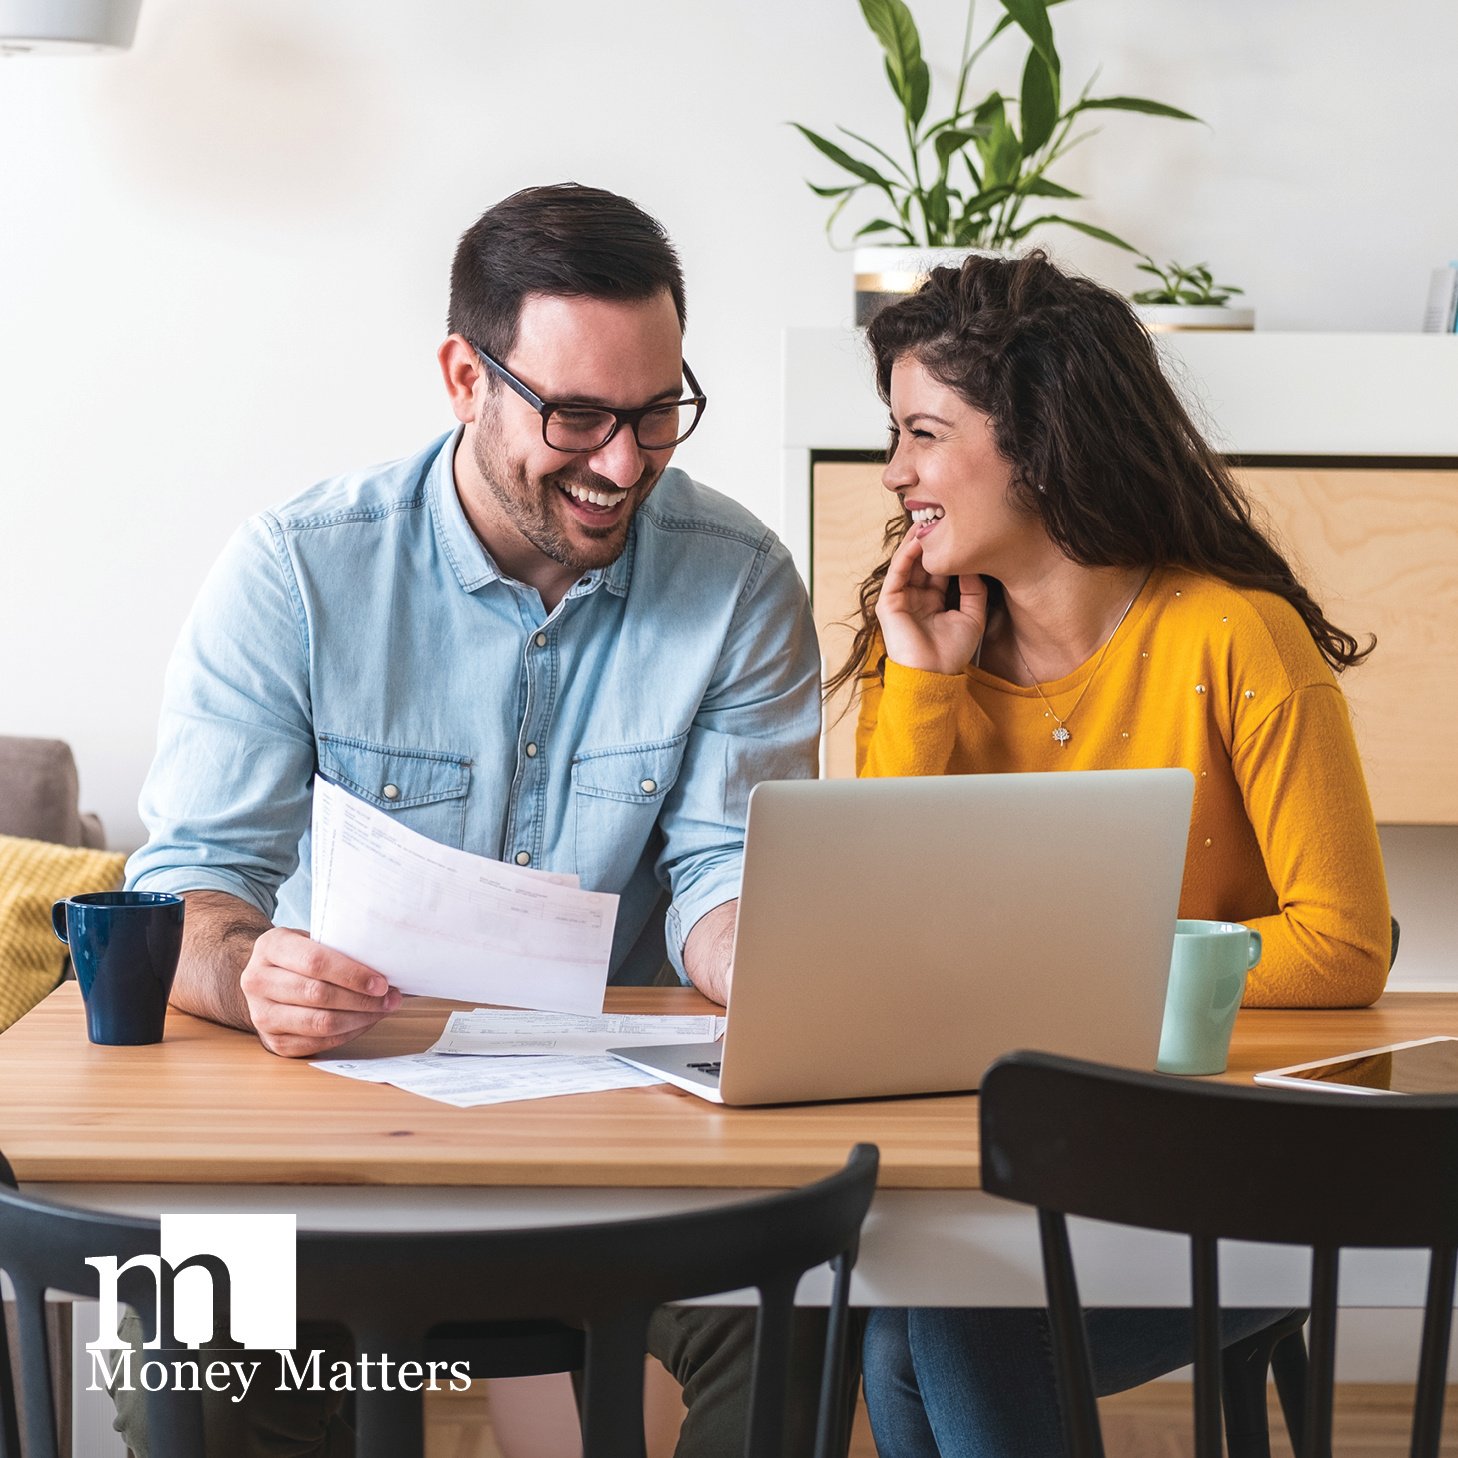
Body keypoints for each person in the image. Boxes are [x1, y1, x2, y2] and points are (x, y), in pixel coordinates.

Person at [119, 184, 827, 1458]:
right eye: (577, 416)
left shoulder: (741, 584)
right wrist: (248, 975)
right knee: (178, 1327)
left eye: (658, 412)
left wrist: (763, 960)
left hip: (627, 1146)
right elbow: (190, 891)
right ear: (464, 376)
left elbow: (726, 867)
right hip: (321, 1129)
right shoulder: (295, 570)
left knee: (804, 1317)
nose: (625, 464)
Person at [833, 250, 1390, 1456]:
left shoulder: (1237, 636)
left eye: (925, 433)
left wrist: (1075, 994)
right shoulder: (928, 648)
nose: (897, 473)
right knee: (895, 1329)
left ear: (1035, 440)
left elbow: (1343, 942)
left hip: (1239, 1184)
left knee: (961, 1329)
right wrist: (922, 690)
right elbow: (881, 938)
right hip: (1016, 1173)